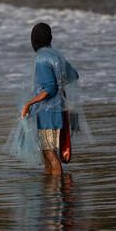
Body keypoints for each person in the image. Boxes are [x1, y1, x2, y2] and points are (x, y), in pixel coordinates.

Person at [21, 22, 80, 175]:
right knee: (46, 151)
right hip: (58, 110)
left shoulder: (41, 59)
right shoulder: (56, 55)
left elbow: (50, 89)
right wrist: (60, 85)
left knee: (48, 152)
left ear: (34, 40)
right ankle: (50, 189)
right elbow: (73, 75)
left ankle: (57, 193)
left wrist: (29, 103)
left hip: (48, 113)